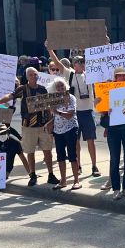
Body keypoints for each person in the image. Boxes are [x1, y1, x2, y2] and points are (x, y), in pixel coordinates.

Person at [0, 67, 58, 186]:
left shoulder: (43, 89)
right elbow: (10, 96)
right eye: (31, 75)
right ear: (27, 76)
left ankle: (51, 175)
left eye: (35, 74)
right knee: (30, 152)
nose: (34, 76)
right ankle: (32, 175)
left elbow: (48, 107)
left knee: (48, 152)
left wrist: (51, 123)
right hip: (28, 126)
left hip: (43, 126)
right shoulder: (22, 89)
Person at [46, 45, 99, 177]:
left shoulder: (91, 75)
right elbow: (57, 63)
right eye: (78, 62)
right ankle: (79, 165)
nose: (81, 64)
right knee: (76, 142)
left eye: (83, 61)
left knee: (91, 140)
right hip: (74, 113)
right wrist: (49, 49)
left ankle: (94, 166)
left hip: (88, 111)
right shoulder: (69, 74)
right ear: (74, 64)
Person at [101, 66, 125, 200]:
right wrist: (106, 110)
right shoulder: (107, 92)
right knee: (114, 159)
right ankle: (116, 189)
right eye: (119, 76)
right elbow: (101, 113)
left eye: (124, 75)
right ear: (115, 78)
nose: (121, 77)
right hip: (114, 131)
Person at [47, 78, 81, 190]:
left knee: (72, 154)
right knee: (60, 156)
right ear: (54, 89)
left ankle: (76, 181)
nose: (61, 88)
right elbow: (54, 115)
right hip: (58, 130)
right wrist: (49, 123)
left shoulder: (71, 98)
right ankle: (63, 180)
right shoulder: (53, 100)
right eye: (58, 87)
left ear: (65, 86)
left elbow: (70, 115)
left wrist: (57, 111)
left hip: (70, 128)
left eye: (62, 86)